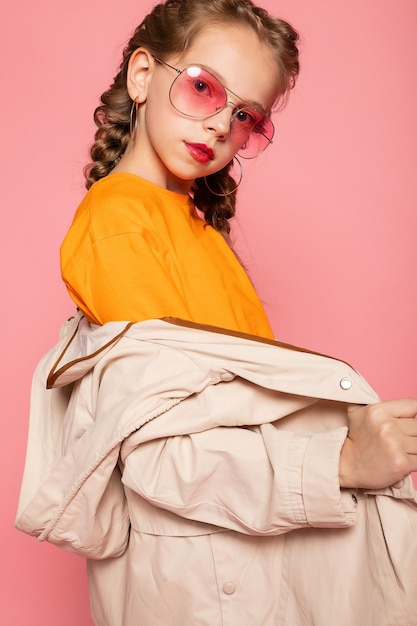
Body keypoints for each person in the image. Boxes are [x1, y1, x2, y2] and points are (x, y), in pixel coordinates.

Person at [16, 1, 417, 625]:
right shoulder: (118, 223)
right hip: (198, 590)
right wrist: (340, 463)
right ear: (143, 76)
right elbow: (159, 457)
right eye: (203, 88)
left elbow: (237, 421)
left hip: (238, 568)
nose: (220, 126)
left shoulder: (200, 235)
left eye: (245, 116)